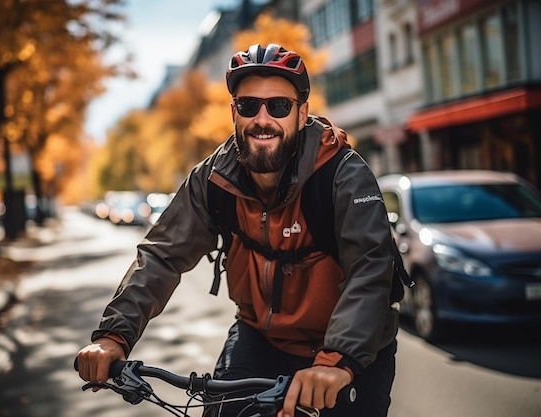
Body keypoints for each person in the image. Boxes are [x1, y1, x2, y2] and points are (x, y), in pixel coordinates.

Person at [77, 43, 399, 417]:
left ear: (302, 113)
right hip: (259, 339)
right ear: (234, 112)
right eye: (249, 106)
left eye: (278, 106)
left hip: (346, 351)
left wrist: (336, 360)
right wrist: (114, 335)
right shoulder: (214, 177)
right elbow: (162, 254)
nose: (263, 120)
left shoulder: (343, 175)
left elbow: (371, 268)